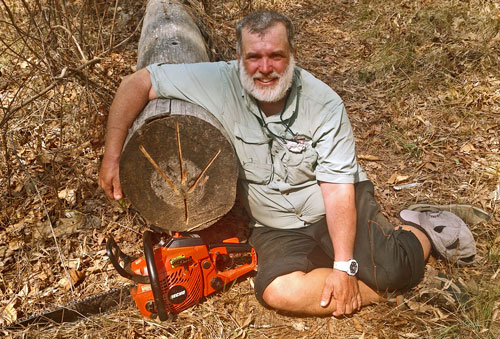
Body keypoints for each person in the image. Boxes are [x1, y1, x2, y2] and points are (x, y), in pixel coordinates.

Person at [100, 11, 446, 317]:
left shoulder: (323, 103)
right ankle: (363, 290)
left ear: (293, 55)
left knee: (396, 270)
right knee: (277, 292)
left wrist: (343, 265)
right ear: (238, 58)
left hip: (332, 205)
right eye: (254, 57)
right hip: (274, 223)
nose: (265, 68)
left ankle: (421, 225)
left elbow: (338, 191)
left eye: (276, 56)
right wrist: (113, 156)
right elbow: (139, 82)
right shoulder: (219, 82)